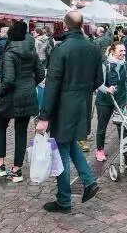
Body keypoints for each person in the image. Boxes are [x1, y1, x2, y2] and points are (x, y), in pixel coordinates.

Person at [35, 11, 102, 213]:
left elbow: (52, 84)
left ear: (65, 25)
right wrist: (83, 92)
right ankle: (89, 180)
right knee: (70, 143)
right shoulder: (93, 48)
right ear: (82, 25)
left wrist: (44, 116)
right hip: (82, 103)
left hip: (64, 106)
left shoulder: (61, 49)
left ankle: (64, 200)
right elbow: (99, 80)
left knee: (61, 152)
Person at [0, 21, 45, 182]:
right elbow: (40, 73)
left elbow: (9, 80)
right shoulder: (31, 50)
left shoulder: (10, 52)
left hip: (10, 96)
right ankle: (16, 170)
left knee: (0, 126)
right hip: (27, 95)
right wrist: (29, 85)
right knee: (21, 131)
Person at [94, 41, 127, 162]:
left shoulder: (126, 65)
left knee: (124, 124)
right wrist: (107, 89)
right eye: (120, 50)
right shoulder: (105, 65)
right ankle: (99, 149)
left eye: (124, 50)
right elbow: (99, 84)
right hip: (104, 100)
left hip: (120, 99)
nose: (123, 53)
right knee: (102, 126)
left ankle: (126, 150)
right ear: (112, 51)